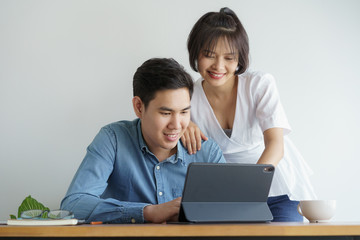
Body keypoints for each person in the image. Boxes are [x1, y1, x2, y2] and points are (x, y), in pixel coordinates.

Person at [180, 7, 316, 222]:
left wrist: (250, 191)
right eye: (209, 55)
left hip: (275, 186)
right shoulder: (188, 96)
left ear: (240, 59)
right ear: (195, 53)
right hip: (225, 195)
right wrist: (182, 124)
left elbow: (275, 145)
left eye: (229, 57)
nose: (219, 66)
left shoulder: (259, 84)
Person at [61, 58, 225, 224]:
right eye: (166, 113)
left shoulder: (207, 152)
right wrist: (147, 212)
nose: (176, 125)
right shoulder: (113, 140)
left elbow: (233, 209)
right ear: (139, 107)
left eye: (184, 112)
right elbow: (74, 204)